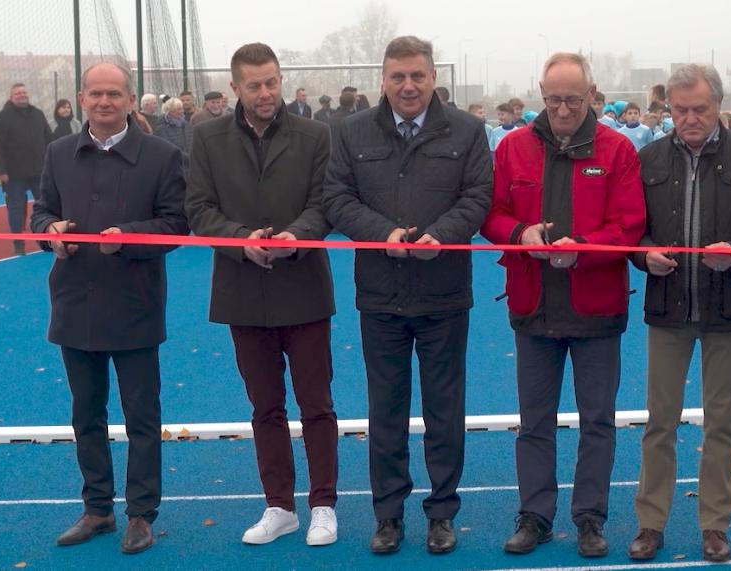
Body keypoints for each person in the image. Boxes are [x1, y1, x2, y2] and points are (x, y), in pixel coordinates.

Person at [323, 35, 492, 556]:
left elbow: (479, 197)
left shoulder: (467, 130)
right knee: (386, 412)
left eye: (417, 75)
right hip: (381, 297)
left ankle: (442, 513)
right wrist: (382, 234)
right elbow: (336, 197)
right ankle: (388, 515)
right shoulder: (350, 132)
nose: (408, 85)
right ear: (383, 79)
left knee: (445, 411)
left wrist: (441, 236)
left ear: (433, 77)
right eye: (398, 76)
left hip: (444, 297)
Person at [480, 52, 646, 559]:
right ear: (540, 94)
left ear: (592, 95)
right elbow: (491, 214)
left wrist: (585, 250)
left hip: (596, 308)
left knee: (598, 420)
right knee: (534, 421)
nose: (564, 109)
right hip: (532, 306)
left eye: (574, 99)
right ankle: (535, 515)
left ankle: (590, 518)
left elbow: (629, 225)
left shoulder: (618, 150)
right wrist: (518, 233)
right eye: (554, 99)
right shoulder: (511, 148)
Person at [30, 62, 188, 556]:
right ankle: (98, 509)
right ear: (81, 98)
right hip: (75, 305)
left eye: (113, 93)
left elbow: (176, 224)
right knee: (86, 415)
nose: (104, 101)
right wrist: (50, 233)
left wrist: (132, 240)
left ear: (128, 98)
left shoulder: (162, 156)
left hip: (135, 305)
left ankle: (142, 514)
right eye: (95, 93)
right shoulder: (58, 153)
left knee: (142, 416)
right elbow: (41, 214)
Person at [185, 42, 340, 548]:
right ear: (235, 87)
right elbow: (200, 209)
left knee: (316, 404)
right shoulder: (207, 138)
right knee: (265, 407)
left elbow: (325, 203)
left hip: (305, 289)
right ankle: (280, 506)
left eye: (271, 81)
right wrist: (239, 241)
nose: (265, 92)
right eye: (254, 84)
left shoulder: (316, 135)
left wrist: (296, 236)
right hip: (243, 292)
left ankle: (323, 505)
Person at [627, 63, 731, 564]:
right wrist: (643, 254)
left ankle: (715, 524)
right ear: (667, 108)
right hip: (666, 310)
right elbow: (632, 231)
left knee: (721, 423)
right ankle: (651, 522)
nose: (690, 119)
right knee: (659, 423)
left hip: (728, 309)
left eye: (700, 109)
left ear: (718, 105)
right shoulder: (647, 158)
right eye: (680, 109)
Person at [0, 82, 53, 255]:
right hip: (13, 173)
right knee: (16, 208)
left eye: (24, 92)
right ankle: (18, 243)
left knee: (46, 206)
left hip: (38, 171)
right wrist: (1, 170)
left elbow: (49, 139)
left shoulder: (38, 114)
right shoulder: (3, 117)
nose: (22, 95)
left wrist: (50, 165)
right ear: (11, 97)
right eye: (17, 93)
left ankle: (47, 238)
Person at [153, 97, 193, 165]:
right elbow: (168, 149)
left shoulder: (187, 125)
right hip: (173, 165)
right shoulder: (161, 129)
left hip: (189, 166)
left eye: (182, 108)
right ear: (170, 111)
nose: (182, 111)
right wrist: (188, 158)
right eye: (179, 109)